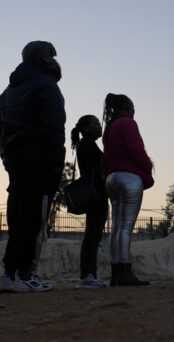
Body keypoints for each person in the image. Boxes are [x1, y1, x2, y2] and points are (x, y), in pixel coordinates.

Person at [0, 41, 65, 293]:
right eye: (50, 55)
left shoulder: (8, 90)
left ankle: (10, 274)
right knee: (32, 218)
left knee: (17, 217)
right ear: (42, 58)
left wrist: (6, 158)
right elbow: (54, 128)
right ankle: (25, 274)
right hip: (40, 162)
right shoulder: (46, 86)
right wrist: (57, 164)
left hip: (16, 162)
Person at [103, 93, 153, 286]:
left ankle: (116, 272)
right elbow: (136, 149)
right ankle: (125, 271)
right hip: (129, 177)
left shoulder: (110, 127)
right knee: (125, 227)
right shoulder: (128, 123)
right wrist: (148, 167)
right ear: (128, 108)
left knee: (116, 227)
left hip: (112, 178)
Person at [71, 114, 109, 288]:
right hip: (96, 195)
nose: (98, 126)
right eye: (95, 124)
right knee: (92, 236)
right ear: (85, 128)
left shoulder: (87, 144)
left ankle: (90, 274)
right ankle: (86, 275)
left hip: (96, 194)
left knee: (94, 236)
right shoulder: (87, 145)